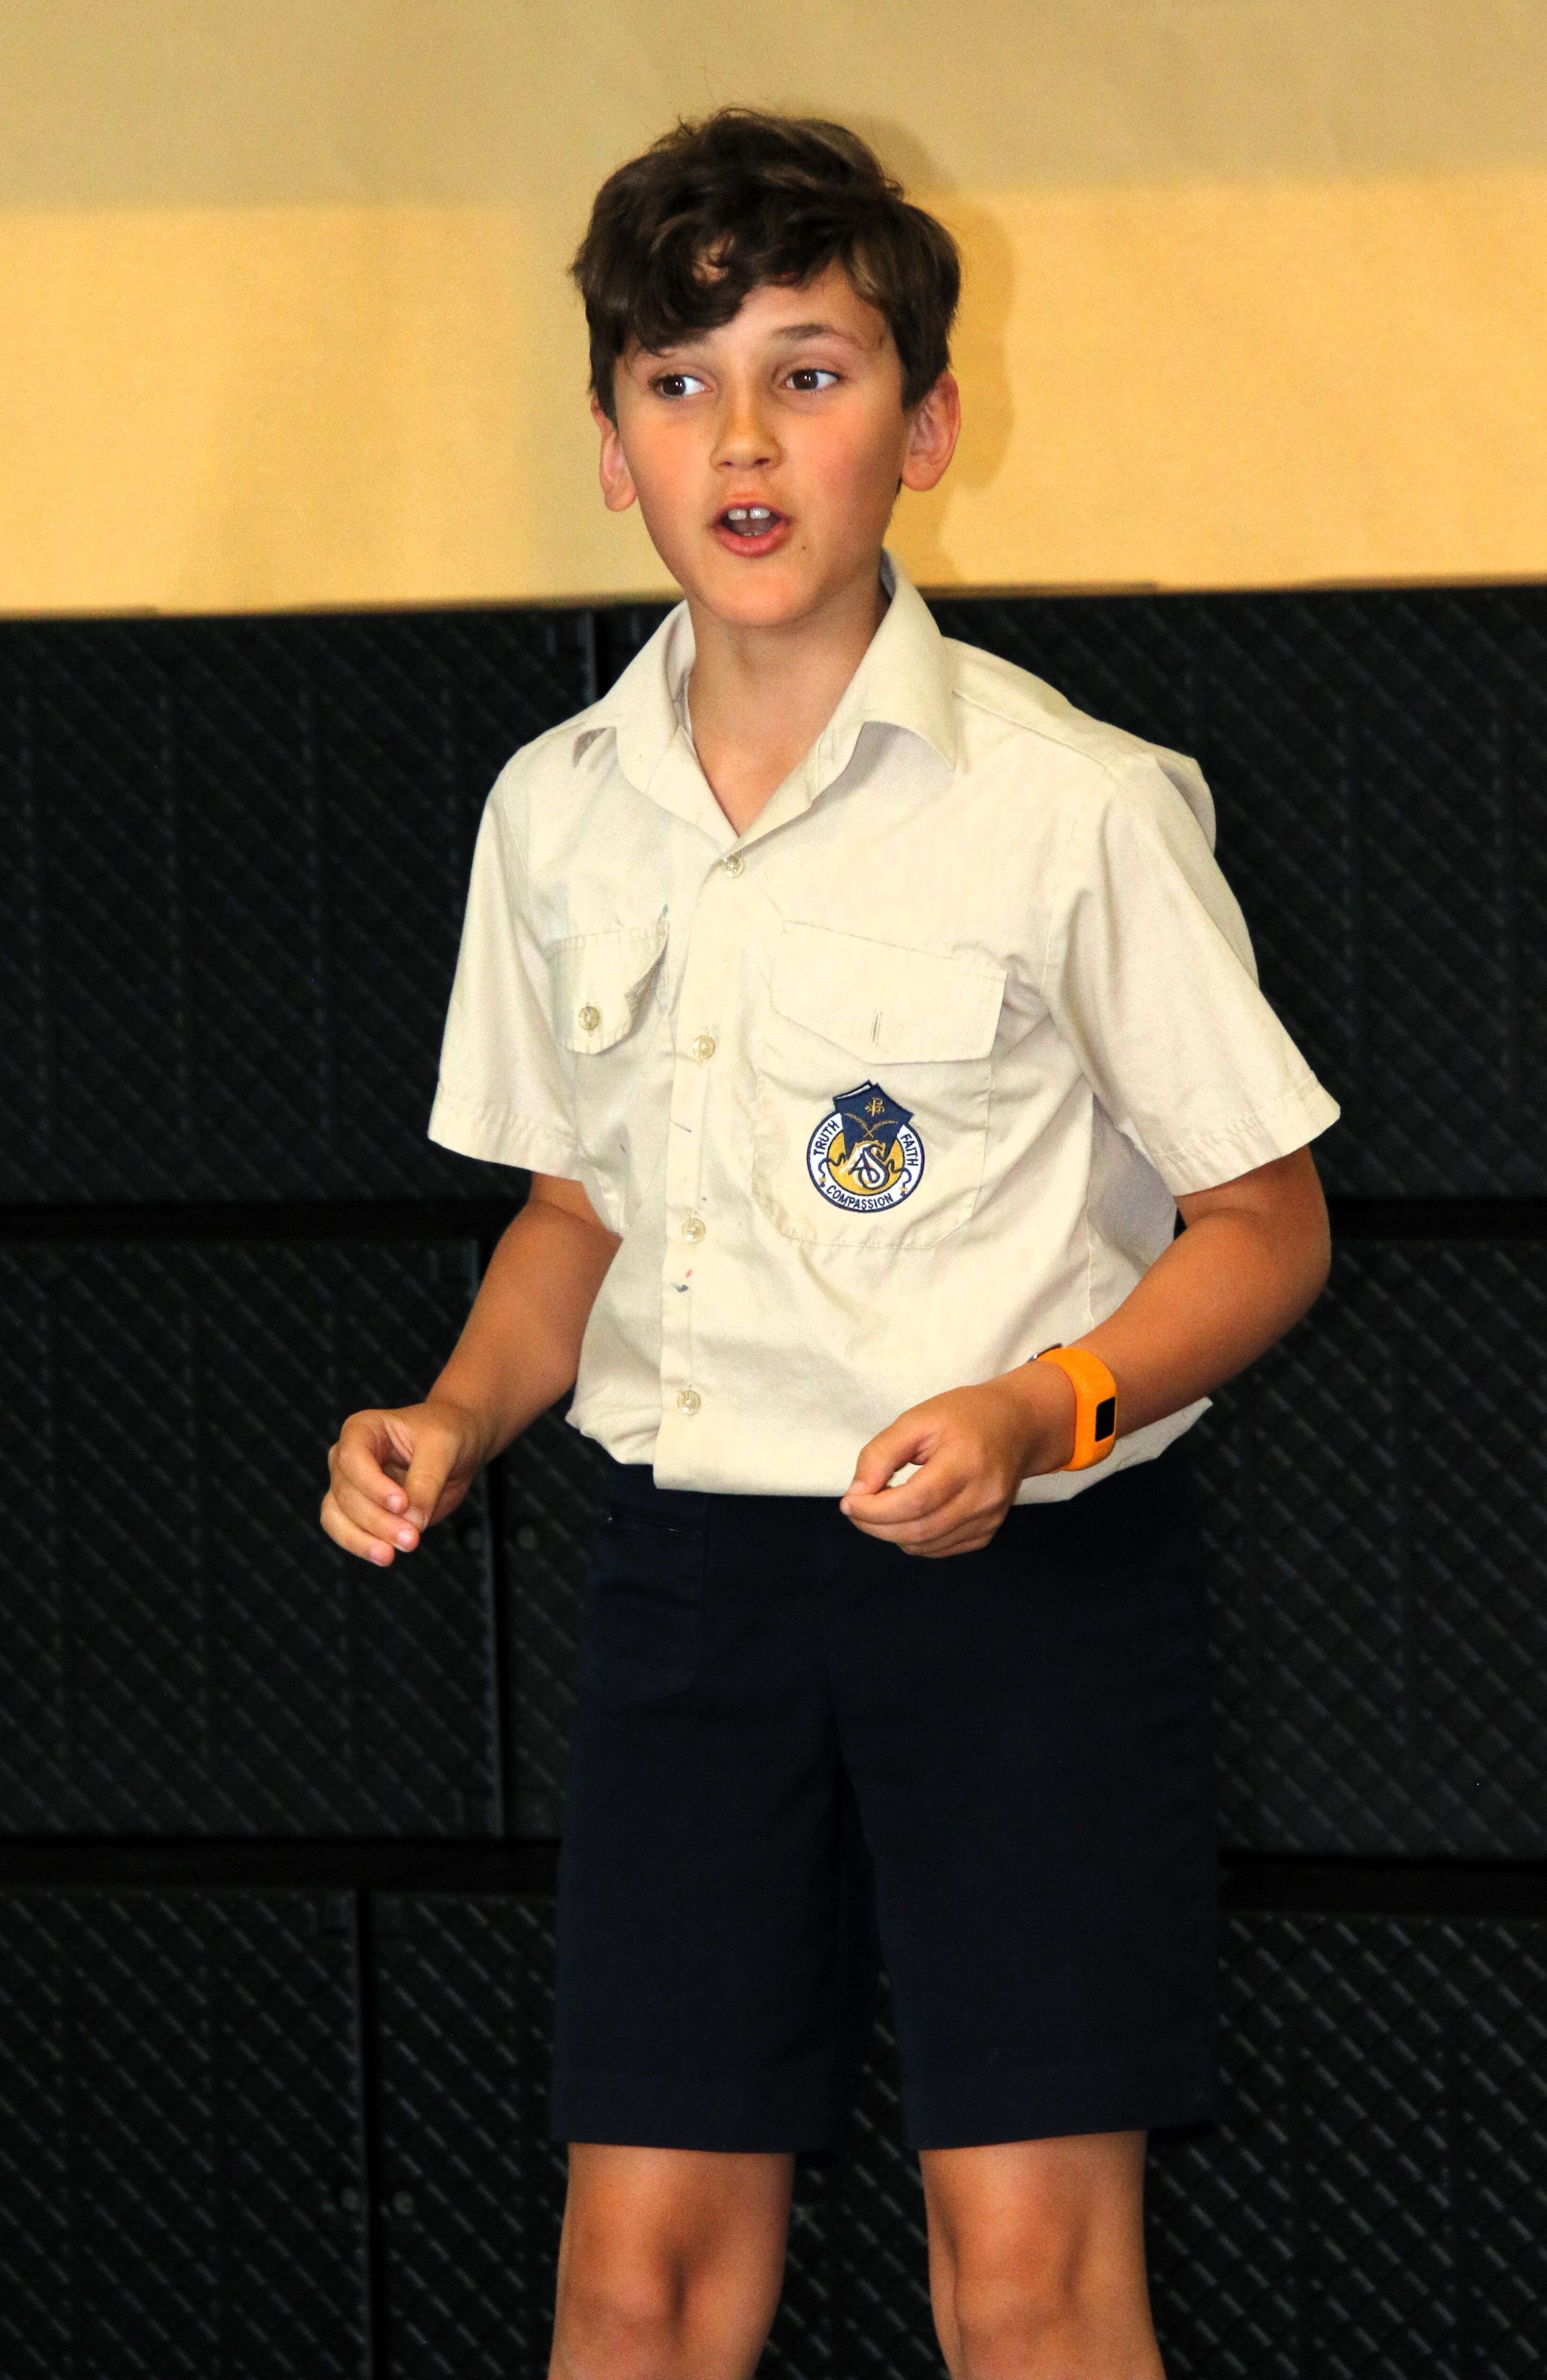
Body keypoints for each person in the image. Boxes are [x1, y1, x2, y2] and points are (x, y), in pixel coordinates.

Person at [321, 108, 1338, 2380]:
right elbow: (572, 1209)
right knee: (636, 2283)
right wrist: (456, 1414)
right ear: (612, 451)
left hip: (1023, 1594)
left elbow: (1264, 1225)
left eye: (810, 371)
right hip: (689, 1594)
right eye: (679, 384)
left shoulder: (1070, 803)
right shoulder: (552, 812)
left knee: (1029, 2282)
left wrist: (1040, 1410)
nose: (744, 440)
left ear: (926, 426)